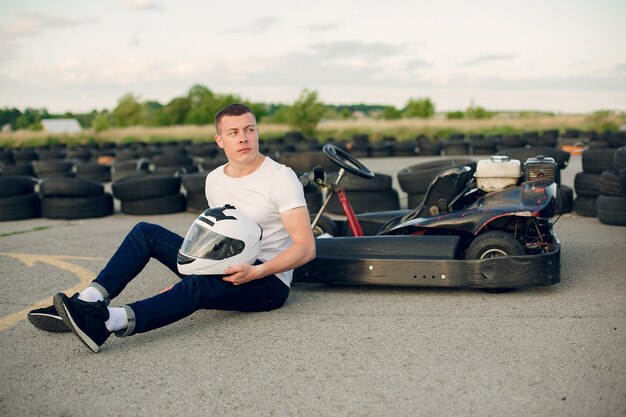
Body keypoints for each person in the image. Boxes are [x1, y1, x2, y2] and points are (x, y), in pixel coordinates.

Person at [30, 103, 315, 353]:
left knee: (196, 287)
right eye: (234, 132)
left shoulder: (280, 178)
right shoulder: (215, 180)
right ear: (220, 140)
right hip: (225, 265)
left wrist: (257, 271)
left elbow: (305, 248)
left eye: (249, 130)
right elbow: (217, 239)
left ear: (257, 133)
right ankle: (88, 301)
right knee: (145, 232)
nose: (243, 138)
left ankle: (106, 323)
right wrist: (198, 266)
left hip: (267, 280)